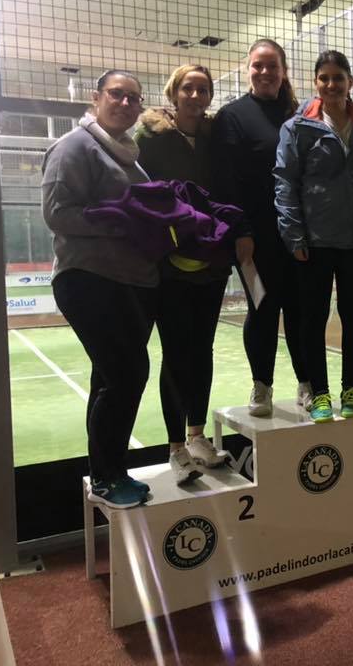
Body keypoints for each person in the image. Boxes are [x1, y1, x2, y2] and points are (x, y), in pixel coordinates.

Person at [42, 70, 155, 509]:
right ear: (96, 98)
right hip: (87, 278)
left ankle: (108, 472)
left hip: (131, 282)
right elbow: (57, 213)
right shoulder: (74, 146)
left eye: (133, 98)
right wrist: (120, 221)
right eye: (117, 94)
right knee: (128, 373)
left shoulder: (129, 156)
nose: (126, 103)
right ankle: (108, 476)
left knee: (110, 377)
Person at [274, 50, 353, 423]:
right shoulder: (297, 128)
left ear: (349, 82)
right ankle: (320, 394)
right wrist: (294, 235)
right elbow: (285, 183)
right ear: (315, 83)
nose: (331, 84)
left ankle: (350, 389)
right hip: (316, 240)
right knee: (313, 317)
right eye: (324, 77)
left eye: (338, 77)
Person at [135, 64, 235, 484]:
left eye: (203, 89)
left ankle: (197, 437)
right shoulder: (150, 138)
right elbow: (139, 193)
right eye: (188, 88)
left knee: (202, 350)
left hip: (211, 263)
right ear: (174, 93)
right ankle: (176, 447)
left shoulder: (216, 138)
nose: (195, 96)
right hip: (169, 264)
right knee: (176, 353)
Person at [212, 39, 311, 417]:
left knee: (301, 311)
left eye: (272, 66)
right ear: (247, 70)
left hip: (299, 238)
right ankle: (262, 387)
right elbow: (226, 183)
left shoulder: (302, 114)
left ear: (284, 71)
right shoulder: (232, 116)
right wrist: (241, 233)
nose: (265, 72)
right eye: (258, 65)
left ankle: (308, 384)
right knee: (262, 309)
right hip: (253, 241)